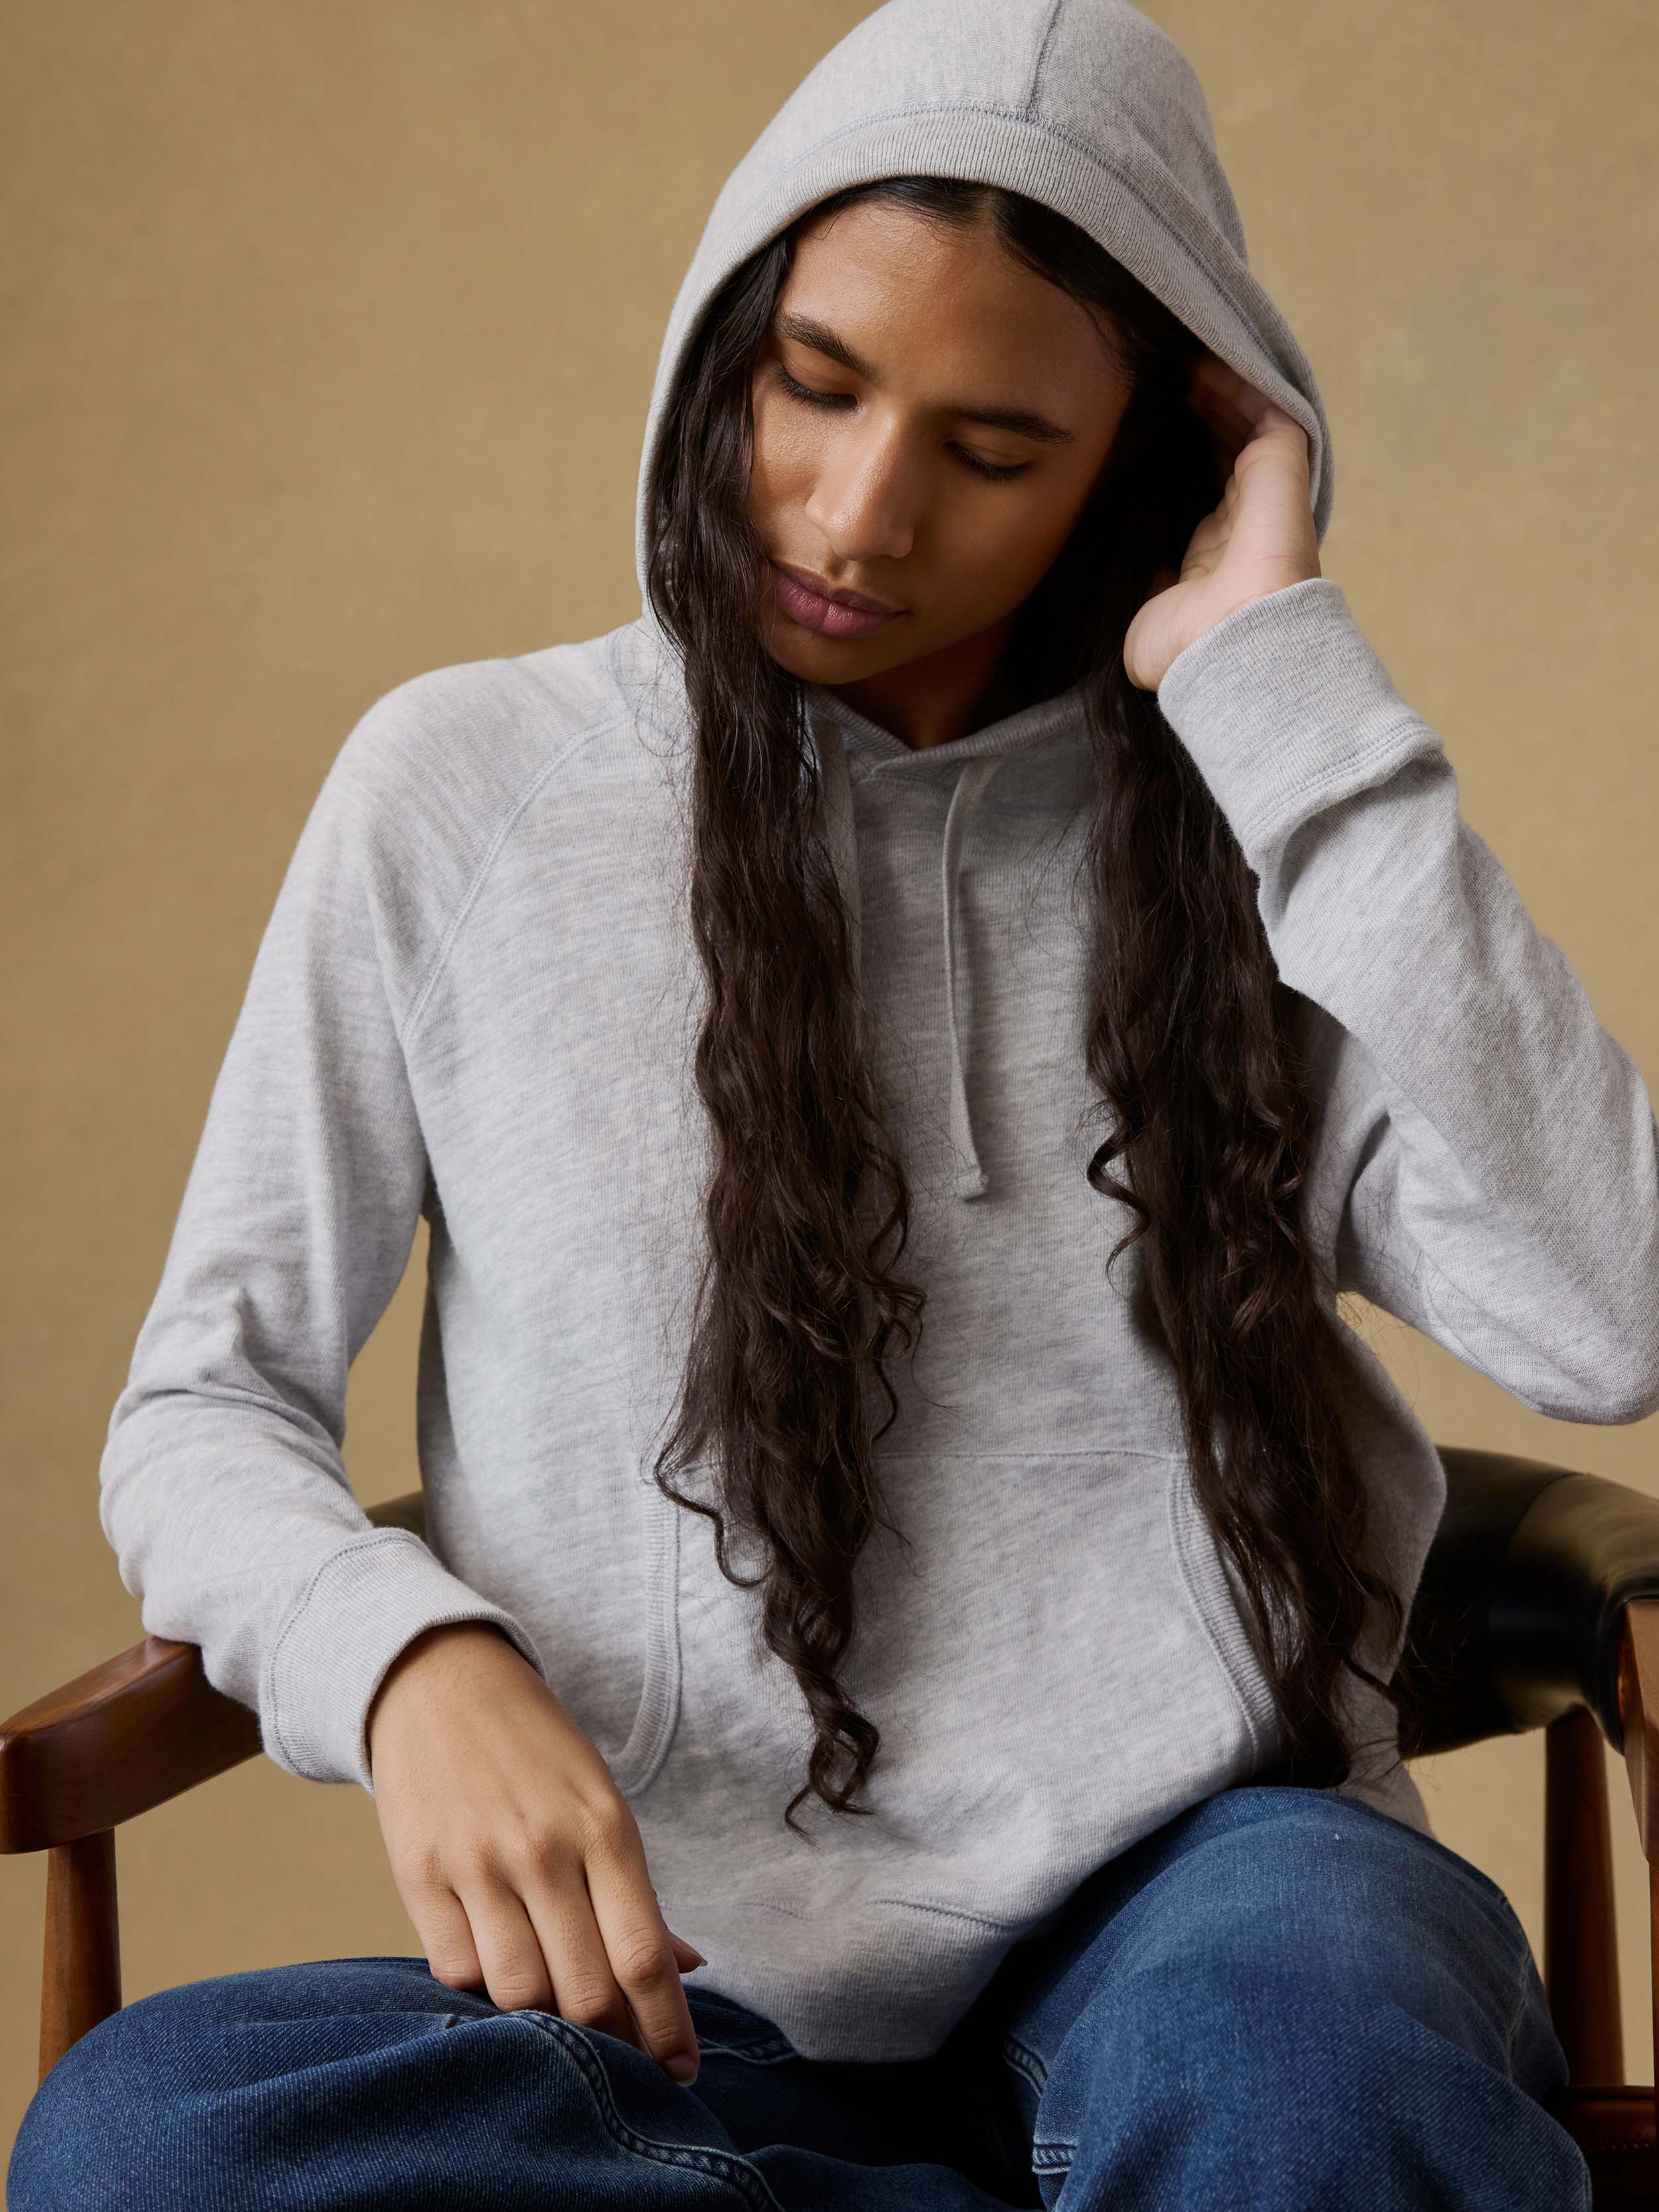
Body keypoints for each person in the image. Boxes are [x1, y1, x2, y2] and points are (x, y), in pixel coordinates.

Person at [11, 0, 1653, 2204]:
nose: (859, 516)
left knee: (1290, 2068)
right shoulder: (460, 793)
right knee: (152, 2143)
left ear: (1136, 469)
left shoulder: (1253, 820)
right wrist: (405, 1660)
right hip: (684, 2002)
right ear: (725, 344)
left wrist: (1279, 692)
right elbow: (202, 1409)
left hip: (1224, 1905)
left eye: (992, 449)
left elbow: (1606, 1311)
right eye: (814, 383)